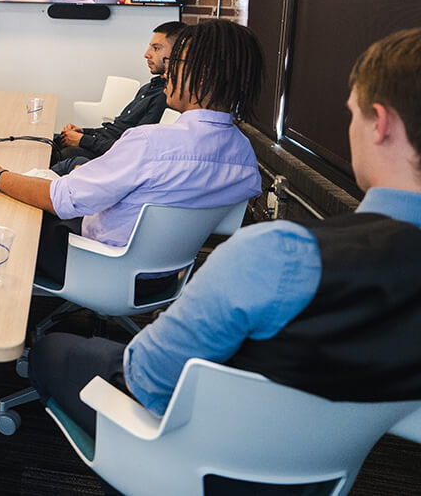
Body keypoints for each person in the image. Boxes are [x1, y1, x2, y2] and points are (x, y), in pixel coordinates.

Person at [29, 27, 421, 491]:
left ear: (381, 124)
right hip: (323, 478)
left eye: (351, 113)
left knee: (48, 351)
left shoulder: (280, 256)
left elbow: (146, 380)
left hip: (194, 462)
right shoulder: (243, 169)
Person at [0, 19, 263, 292]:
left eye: (176, 62)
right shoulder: (245, 157)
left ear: (203, 76)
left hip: (95, 267)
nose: (169, 71)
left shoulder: (150, 143)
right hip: (166, 280)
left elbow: (60, 200)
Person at [51, 21, 186, 175]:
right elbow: (118, 129)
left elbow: (134, 149)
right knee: (54, 143)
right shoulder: (149, 87)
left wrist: (82, 140)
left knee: (63, 153)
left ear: (178, 53)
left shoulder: (165, 98)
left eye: (156, 48)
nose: (146, 54)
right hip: (106, 146)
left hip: (115, 158)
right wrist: (83, 132)